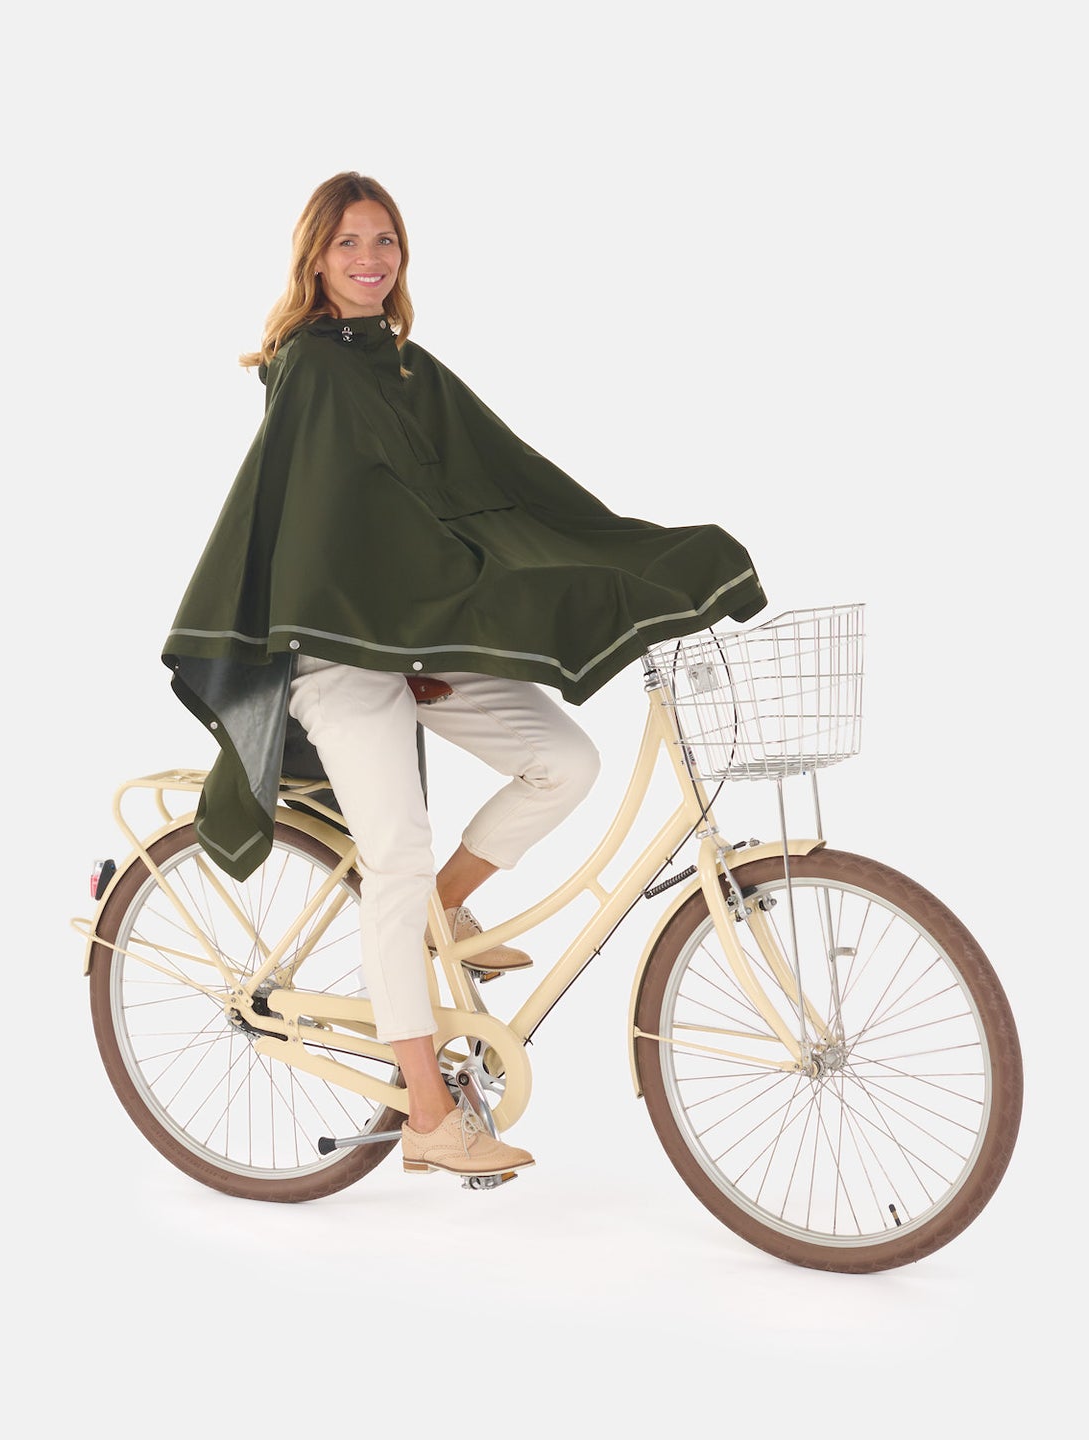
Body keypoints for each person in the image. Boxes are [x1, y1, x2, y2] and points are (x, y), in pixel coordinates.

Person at [162, 171, 767, 1179]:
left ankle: (444, 908)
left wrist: (622, 558)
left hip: (414, 640)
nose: (370, 260)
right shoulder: (312, 369)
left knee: (565, 761)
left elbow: (506, 489)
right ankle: (431, 1115)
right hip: (334, 650)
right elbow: (328, 537)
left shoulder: (405, 366)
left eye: (385, 241)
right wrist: (405, 641)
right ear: (316, 258)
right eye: (349, 243)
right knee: (395, 855)